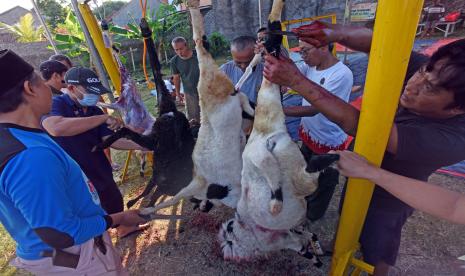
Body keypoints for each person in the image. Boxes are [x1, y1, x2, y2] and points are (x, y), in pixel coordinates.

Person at [263, 22, 465, 275]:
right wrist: (332, 33)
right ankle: (340, 246)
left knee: (379, 242)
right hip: (361, 170)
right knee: (348, 216)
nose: (413, 83)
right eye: (422, 71)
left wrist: (295, 80)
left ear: (457, 108)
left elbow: (361, 126)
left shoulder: (452, 140)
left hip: (391, 195)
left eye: (429, 88)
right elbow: (379, 46)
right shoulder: (437, 73)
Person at [0, 49, 146, 275]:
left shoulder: (18, 136)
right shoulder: (30, 157)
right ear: (30, 89)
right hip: (75, 256)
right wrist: (120, 218)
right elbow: (61, 233)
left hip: (62, 251)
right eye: (41, 82)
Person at [42, 67, 147, 239]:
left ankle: (122, 228)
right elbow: (56, 128)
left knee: (112, 199)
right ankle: (97, 240)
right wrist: (104, 118)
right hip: (75, 173)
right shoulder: (57, 105)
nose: (95, 97)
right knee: (87, 209)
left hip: (98, 166)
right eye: (90, 92)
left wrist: (141, 144)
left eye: (96, 93)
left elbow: (112, 141)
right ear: (71, 88)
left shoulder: (94, 110)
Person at [282, 40, 353, 221]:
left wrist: (278, 109)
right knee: (304, 173)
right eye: (300, 51)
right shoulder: (311, 66)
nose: (302, 56)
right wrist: (272, 52)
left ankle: (313, 215)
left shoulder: (341, 74)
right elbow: (292, 72)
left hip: (329, 141)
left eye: (305, 51)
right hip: (308, 135)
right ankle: (302, 204)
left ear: (323, 46)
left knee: (324, 181)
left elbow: (316, 108)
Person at [335, 150, 465, 226]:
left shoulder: (452, 139)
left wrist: (368, 171)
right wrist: (368, 171)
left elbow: (454, 207)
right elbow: (455, 206)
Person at [220, 35, 264, 104]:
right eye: (238, 62)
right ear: (232, 56)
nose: (243, 66)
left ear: (256, 55)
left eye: (248, 62)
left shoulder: (265, 72)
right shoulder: (225, 71)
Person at [170, 36, 200, 122]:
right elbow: (176, 78)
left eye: (181, 49)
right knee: (193, 118)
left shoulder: (198, 55)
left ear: (186, 45)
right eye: (176, 50)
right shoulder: (174, 61)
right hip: (189, 92)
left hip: (205, 89)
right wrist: (178, 93)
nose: (179, 52)